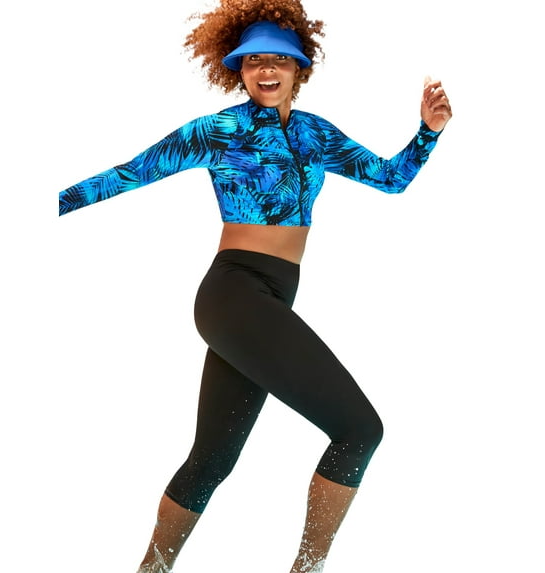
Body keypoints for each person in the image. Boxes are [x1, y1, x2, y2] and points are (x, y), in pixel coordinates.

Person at [59, 1, 452, 571]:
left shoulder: (316, 134)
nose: (266, 69)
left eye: (279, 60)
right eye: (253, 61)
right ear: (238, 70)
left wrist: (427, 133)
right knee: (359, 430)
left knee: (211, 460)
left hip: (271, 297)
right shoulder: (218, 131)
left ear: (299, 68)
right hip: (234, 293)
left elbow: (391, 180)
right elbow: (126, 174)